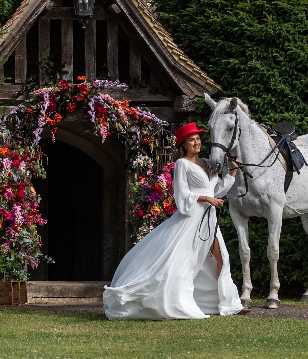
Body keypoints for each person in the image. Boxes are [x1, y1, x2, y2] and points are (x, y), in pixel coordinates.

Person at [103, 122, 245, 320]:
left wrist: (232, 173)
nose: (196, 142)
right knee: (183, 262)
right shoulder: (182, 164)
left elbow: (216, 190)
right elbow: (181, 196)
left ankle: (228, 303)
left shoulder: (206, 162)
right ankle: (175, 302)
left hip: (208, 218)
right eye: (191, 140)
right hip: (192, 218)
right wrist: (205, 199)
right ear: (184, 145)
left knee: (222, 258)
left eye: (197, 139)